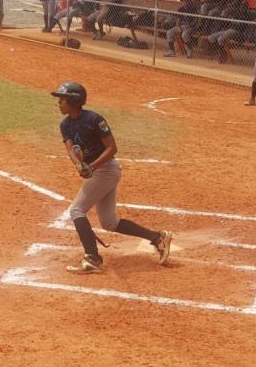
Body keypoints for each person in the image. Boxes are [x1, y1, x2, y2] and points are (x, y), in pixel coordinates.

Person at [51, 81, 173, 273]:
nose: (59, 103)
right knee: (109, 222)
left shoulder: (93, 120)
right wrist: (78, 164)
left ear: (74, 101)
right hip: (97, 171)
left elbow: (112, 148)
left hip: (106, 170)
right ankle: (158, 237)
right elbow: (70, 146)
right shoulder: (65, 124)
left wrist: (92, 166)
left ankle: (92, 258)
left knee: (76, 210)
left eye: (62, 100)